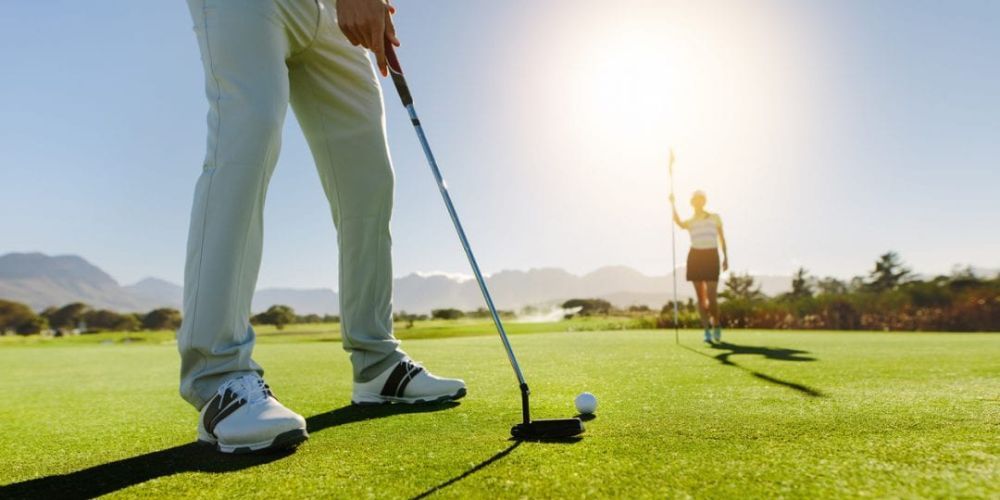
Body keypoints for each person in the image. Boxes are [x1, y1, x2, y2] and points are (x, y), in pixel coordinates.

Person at [177, 0, 465, 454]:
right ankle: (218, 378)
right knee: (247, 147)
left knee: (368, 177)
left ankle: (377, 364)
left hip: (328, 10)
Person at [670, 190, 729, 344]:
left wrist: (725, 257)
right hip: (695, 256)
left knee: (712, 297)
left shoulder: (715, 217)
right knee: (701, 299)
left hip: (711, 255)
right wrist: (673, 204)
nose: (698, 202)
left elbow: (722, 238)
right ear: (692, 202)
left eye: (700, 199)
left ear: (704, 201)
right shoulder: (691, 221)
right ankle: (706, 331)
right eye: (695, 199)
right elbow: (678, 222)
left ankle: (716, 324)